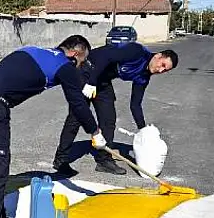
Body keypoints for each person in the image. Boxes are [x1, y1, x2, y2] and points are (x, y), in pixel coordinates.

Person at [0, 35, 106, 218]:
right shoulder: (63, 64)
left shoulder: (41, 53)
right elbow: (77, 103)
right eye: (81, 61)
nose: (79, 67)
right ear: (75, 54)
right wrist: (95, 131)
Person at [52, 41, 178, 176]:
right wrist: (91, 83)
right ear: (158, 56)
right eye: (162, 65)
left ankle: (104, 160)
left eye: (165, 70)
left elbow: (135, 104)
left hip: (103, 81)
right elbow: (106, 56)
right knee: (77, 117)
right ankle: (61, 160)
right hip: (88, 70)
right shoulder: (136, 52)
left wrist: (143, 130)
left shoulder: (143, 76)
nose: (160, 70)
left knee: (108, 119)